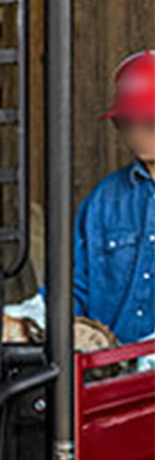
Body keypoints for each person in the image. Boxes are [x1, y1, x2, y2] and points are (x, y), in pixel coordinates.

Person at [74, 49, 155, 343]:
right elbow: (72, 288)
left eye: (149, 121)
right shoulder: (103, 200)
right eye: (125, 123)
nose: (137, 133)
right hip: (111, 374)